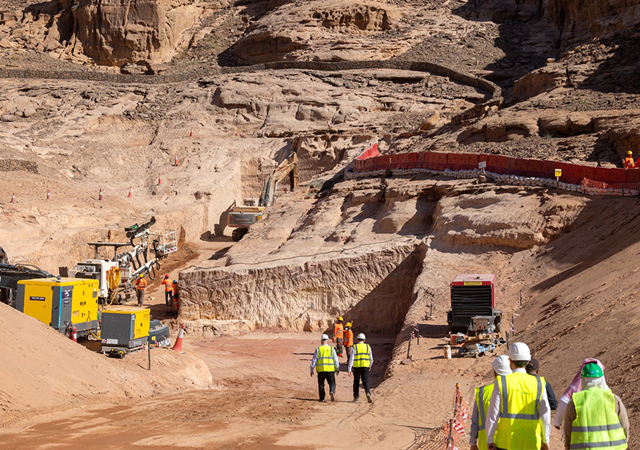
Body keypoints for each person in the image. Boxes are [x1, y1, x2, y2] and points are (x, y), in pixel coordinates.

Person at [486, 342, 551, 450]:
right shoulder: (539, 383)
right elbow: (545, 416)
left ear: (510, 361)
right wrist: (545, 440)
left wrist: (490, 439)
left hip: (506, 443)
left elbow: (493, 414)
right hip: (531, 442)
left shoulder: (502, 382)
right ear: (528, 362)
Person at [563, 362, 629, 450]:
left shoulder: (575, 402)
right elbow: (625, 426)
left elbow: (568, 432)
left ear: (582, 380)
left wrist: (568, 447)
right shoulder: (613, 399)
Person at [470, 355, 512, 450]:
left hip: (486, 443)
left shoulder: (482, 392)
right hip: (508, 442)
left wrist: (473, 442)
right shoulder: (515, 391)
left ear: (494, 373)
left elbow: (475, 421)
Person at [554, 358, 605, 429]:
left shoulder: (575, 394)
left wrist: (557, 422)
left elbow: (564, 405)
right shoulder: (609, 396)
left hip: (579, 435)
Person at [310, 334, 340, 402]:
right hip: (330, 370)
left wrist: (311, 369)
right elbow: (336, 360)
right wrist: (337, 368)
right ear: (327, 341)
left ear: (321, 341)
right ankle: (332, 391)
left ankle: (322, 398)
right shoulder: (331, 349)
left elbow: (314, 360)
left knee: (321, 384)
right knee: (332, 383)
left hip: (321, 370)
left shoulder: (318, 349)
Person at [348, 333, 373, 403]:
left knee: (356, 382)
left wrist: (349, 369)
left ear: (357, 339)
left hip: (356, 367)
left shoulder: (355, 347)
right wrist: (370, 365)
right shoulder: (368, 347)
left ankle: (356, 397)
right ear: (364, 340)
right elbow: (371, 358)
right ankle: (368, 392)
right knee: (365, 381)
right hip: (365, 366)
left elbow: (351, 358)